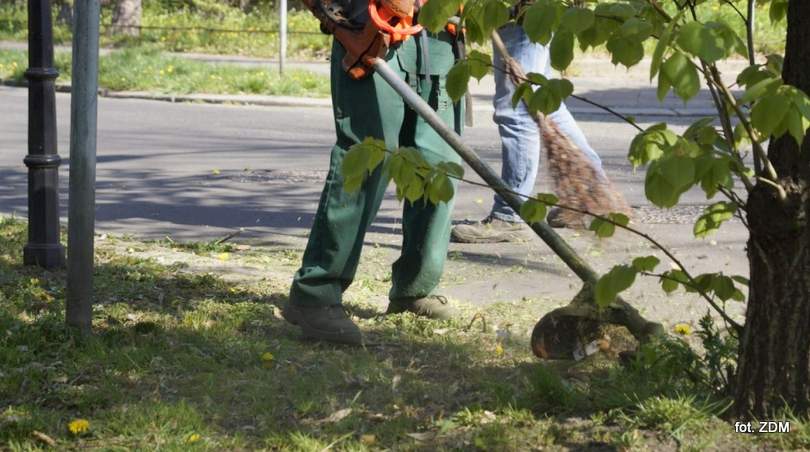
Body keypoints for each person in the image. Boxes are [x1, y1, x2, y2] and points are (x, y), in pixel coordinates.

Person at [283, 20, 465, 345]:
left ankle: (415, 289)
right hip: (373, 34)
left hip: (440, 40)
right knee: (368, 161)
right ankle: (316, 293)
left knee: (438, 166)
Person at [451, 23, 607, 243]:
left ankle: (511, 214)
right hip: (530, 15)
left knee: (517, 110)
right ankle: (591, 197)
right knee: (544, 102)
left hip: (522, 15)